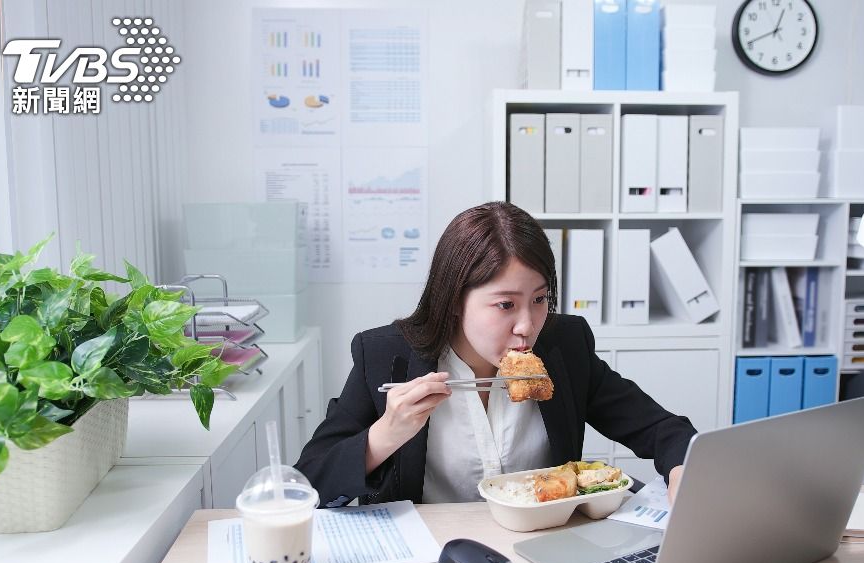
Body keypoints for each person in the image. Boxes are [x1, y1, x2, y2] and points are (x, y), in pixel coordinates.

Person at [294, 201, 697, 507]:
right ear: (454, 300)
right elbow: (307, 481)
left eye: (539, 299)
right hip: (432, 556)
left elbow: (663, 430)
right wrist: (384, 436)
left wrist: (683, 469)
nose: (528, 325)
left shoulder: (565, 346)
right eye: (505, 305)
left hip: (543, 548)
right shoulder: (386, 355)